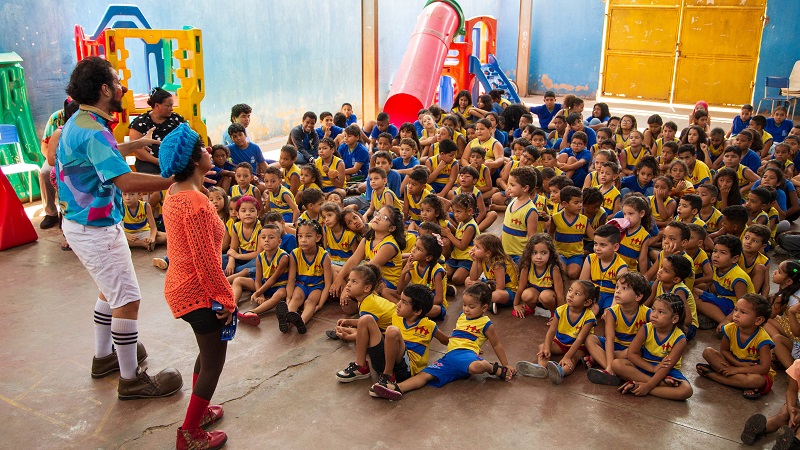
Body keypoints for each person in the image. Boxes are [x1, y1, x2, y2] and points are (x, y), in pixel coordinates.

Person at [56, 57, 181, 398]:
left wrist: (129, 146)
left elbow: (93, 155)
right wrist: (173, 179)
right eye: (117, 81)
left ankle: (104, 358)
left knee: (109, 293)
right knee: (127, 300)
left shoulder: (80, 120)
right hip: (95, 229)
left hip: (80, 224)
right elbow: (124, 180)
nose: (123, 86)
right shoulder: (94, 130)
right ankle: (130, 379)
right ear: (104, 89)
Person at [158, 123, 235, 448]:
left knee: (206, 353)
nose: (209, 151)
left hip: (179, 286)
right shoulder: (198, 205)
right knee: (213, 363)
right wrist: (226, 299)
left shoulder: (176, 194)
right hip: (198, 294)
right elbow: (207, 262)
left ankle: (199, 412)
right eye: (203, 148)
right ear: (193, 161)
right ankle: (189, 433)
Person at [372, 283, 514, 400]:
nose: (466, 309)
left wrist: (505, 363)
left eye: (471, 307)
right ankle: (398, 388)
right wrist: (452, 341)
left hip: (466, 354)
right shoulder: (461, 316)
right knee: (425, 375)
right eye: (464, 305)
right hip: (449, 357)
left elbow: (496, 344)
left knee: (475, 367)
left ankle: (493, 368)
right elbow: (451, 338)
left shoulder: (486, 323)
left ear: (484, 308)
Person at [611, 293, 693, 401]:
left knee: (686, 391)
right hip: (644, 365)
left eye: (660, 312)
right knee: (617, 364)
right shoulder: (645, 329)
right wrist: (652, 369)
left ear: (674, 318)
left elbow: (667, 366)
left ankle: (639, 386)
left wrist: (648, 387)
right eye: (653, 309)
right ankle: (662, 384)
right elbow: (632, 354)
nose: (654, 315)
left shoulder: (680, 339)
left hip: (667, 371)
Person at [697, 294, 774, 400]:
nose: (736, 315)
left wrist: (737, 370)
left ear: (758, 320)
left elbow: (764, 368)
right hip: (733, 363)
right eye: (735, 310)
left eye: (743, 312)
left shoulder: (763, 339)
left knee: (757, 381)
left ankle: (713, 376)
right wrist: (736, 366)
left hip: (753, 371)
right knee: (708, 352)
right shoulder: (730, 328)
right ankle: (741, 384)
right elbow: (724, 350)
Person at [584, 272, 651, 386]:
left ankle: (601, 360)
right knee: (589, 339)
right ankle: (611, 371)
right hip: (616, 345)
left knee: (634, 354)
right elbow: (609, 339)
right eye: (617, 287)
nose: (618, 291)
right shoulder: (611, 312)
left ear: (638, 296)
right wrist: (610, 365)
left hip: (633, 350)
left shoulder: (647, 314)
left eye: (624, 288)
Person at [129, 87, 186, 174]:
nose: (171, 109)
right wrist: (157, 161)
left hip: (176, 160)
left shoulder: (176, 119)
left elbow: (187, 138)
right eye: (168, 106)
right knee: (149, 175)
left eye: (172, 105)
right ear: (157, 105)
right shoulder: (140, 122)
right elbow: (137, 149)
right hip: (149, 162)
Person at [513, 233, 565, 318]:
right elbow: (520, 288)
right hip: (535, 295)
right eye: (534, 252)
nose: (539, 257)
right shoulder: (527, 266)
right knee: (526, 294)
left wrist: (559, 316)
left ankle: (553, 313)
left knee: (545, 296)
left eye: (544, 253)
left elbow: (559, 294)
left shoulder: (554, 268)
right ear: (529, 253)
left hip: (549, 298)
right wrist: (516, 304)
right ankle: (533, 308)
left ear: (550, 253)